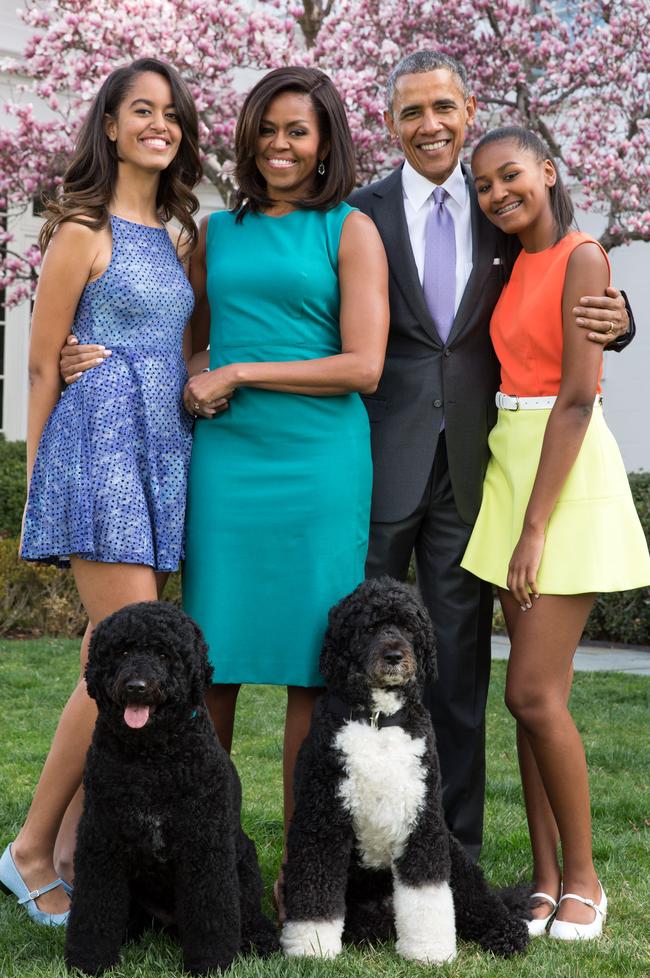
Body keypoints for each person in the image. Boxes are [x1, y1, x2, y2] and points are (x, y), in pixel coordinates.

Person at [347, 50, 634, 860]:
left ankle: (455, 856)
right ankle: (359, 847)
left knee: (461, 673)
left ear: (468, 111)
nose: (428, 125)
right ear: (391, 123)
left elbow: (568, 282)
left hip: (479, 476)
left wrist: (622, 317)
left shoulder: (500, 204)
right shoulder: (360, 213)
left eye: (442, 107)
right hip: (378, 463)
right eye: (410, 112)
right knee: (354, 661)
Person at [181, 66, 388, 917]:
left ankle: (303, 882)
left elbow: (364, 366)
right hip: (229, 466)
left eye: (297, 131)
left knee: (314, 672)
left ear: (326, 140)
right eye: (266, 128)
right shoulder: (212, 233)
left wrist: (242, 370)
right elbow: (187, 345)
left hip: (318, 466)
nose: (279, 145)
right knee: (209, 665)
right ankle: (204, 876)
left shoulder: (352, 230)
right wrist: (196, 371)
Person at [0, 58, 201, 925]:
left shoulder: (180, 233)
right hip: (98, 449)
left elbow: (179, 346)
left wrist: (205, 374)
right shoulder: (80, 228)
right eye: (141, 111)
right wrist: (44, 478)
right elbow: (44, 360)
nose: (159, 124)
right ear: (110, 126)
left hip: (163, 447)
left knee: (107, 652)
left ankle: (75, 848)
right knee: (117, 652)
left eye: (171, 114)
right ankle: (33, 849)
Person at [461, 125, 650, 939]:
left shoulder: (583, 255)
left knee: (530, 691)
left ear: (548, 169)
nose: (499, 194)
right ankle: (542, 883)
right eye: (483, 186)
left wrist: (534, 529)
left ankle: (584, 880)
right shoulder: (510, 262)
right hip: (511, 463)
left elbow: (577, 397)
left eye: (511, 177)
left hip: (560, 475)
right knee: (535, 702)